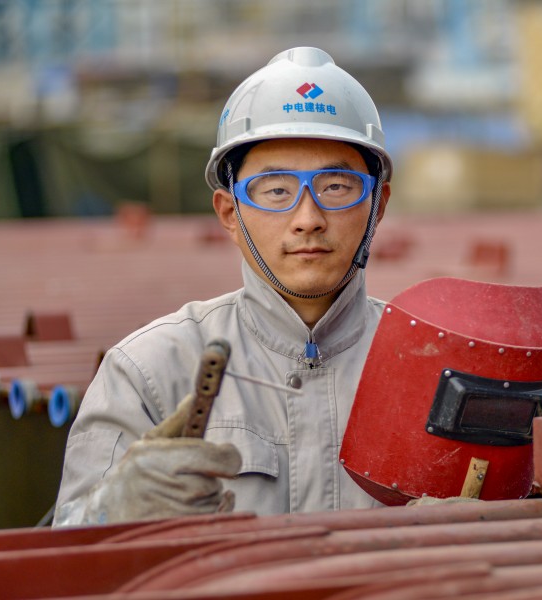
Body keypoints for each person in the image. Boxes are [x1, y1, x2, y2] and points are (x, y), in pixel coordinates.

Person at [53, 47, 393, 526]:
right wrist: (114, 510)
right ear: (230, 213)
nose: (308, 218)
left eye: (336, 187)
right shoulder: (152, 370)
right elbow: (69, 551)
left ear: (377, 206)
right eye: (276, 190)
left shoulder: (429, 366)